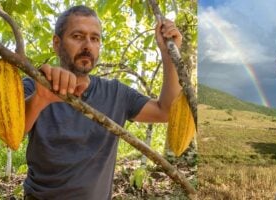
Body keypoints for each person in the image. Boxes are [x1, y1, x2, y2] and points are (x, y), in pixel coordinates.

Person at [23, 5, 182, 200]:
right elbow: (12, 130)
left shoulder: (116, 93)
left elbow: (166, 111)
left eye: (95, 38)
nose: (87, 46)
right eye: (78, 36)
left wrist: (168, 55)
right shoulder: (35, 86)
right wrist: (41, 99)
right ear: (57, 43)